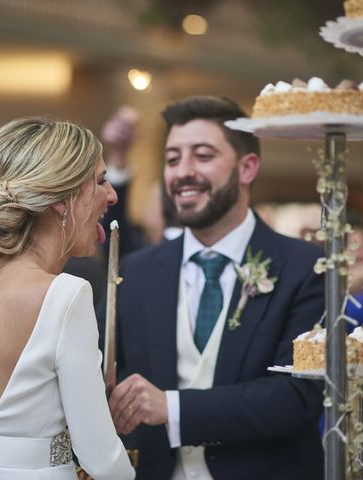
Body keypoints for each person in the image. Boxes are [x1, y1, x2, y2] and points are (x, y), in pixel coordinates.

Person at [99, 96, 325, 479]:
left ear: (247, 167)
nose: (183, 172)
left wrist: (170, 407)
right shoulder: (135, 272)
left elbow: (297, 398)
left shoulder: (307, 268)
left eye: (202, 156)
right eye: (172, 160)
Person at [0, 117, 135, 479]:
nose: (112, 196)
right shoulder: (64, 294)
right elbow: (101, 458)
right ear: (61, 200)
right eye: (101, 182)